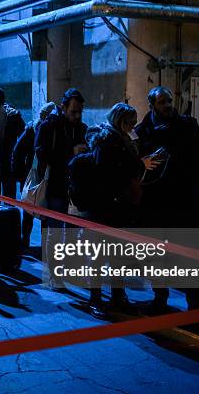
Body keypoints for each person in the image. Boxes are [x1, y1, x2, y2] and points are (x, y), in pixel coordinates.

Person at [69, 103, 161, 317]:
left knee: (117, 256)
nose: (133, 125)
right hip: (104, 207)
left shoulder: (122, 139)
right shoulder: (107, 140)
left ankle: (118, 296)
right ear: (120, 120)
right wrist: (139, 165)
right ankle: (96, 299)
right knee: (100, 257)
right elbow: (108, 173)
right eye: (130, 121)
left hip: (119, 206)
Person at [134, 86, 199, 312]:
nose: (167, 105)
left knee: (189, 252)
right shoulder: (143, 131)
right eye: (161, 102)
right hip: (156, 201)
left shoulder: (187, 125)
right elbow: (137, 165)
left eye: (168, 101)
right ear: (152, 105)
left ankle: (194, 301)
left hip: (184, 199)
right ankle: (160, 297)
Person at [35, 88, 88, 290]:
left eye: (80, 112)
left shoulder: (81, 127)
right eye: (73, 111)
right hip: (56, 187)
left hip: (75, 189)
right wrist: (70, 151)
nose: (77, 116)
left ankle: (71, 272)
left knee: (73, 233)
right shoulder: (49, 126)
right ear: (62, 107)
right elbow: (42, 154)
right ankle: (55, 277)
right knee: (55, 232)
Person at [12, 101, 57, 249]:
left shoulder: (34, 129)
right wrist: (19, 175)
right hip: (38, 176)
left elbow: (17, 152)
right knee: (40, 211)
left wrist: (20, 175)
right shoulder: (34, 129)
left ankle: (26, 242)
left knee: (29, 210)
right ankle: (39, 244)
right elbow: (18, 152)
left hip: (35, 176)